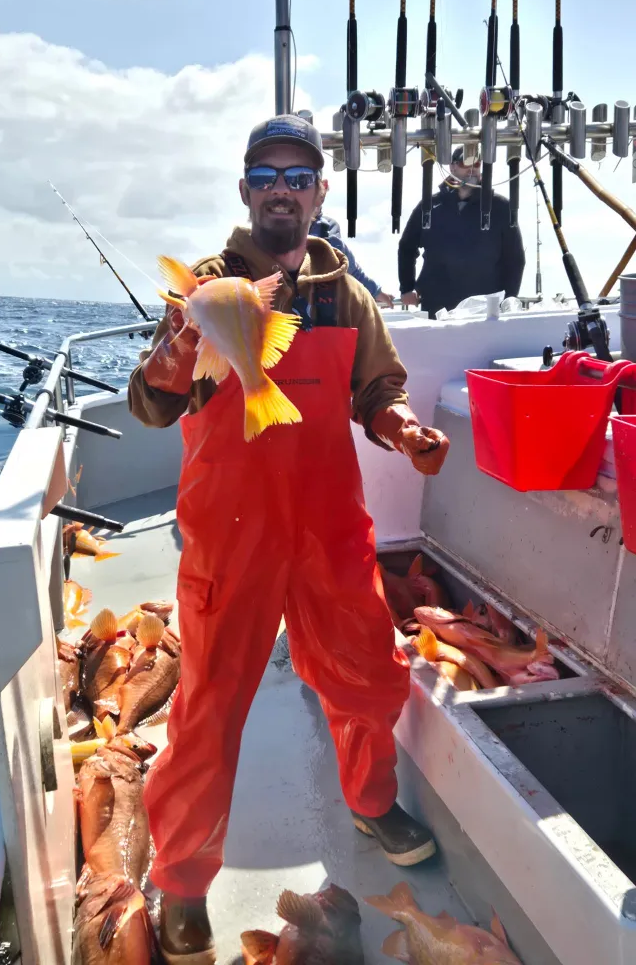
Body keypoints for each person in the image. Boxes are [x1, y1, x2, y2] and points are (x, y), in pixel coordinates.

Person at [128, 113, 450, 964]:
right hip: (229, 530)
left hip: (328, 524)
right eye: (265, 174)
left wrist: (404, 427)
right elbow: (153, 402)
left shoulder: (345, 293)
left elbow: (378, 387)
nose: (282, 188)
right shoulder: (203, 285)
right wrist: (172, 354)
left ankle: (369, 801)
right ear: (244, 190)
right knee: (208, 708)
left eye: (297, 176)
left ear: (318, 193)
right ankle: (185, 878)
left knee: (369, 679)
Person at [398, 146, 526, 317]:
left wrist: (509, 300)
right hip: (437, 308)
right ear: (452, 167)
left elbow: (515, 259)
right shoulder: (429, 206)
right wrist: (407, 287)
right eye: (466, 163)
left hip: (484, 310)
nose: (472, 168)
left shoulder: (501, 207)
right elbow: (407, 247)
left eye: (477, 163)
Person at [309, 189, 394, 307]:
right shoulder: (278, 227)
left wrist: (376, 292)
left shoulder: (329, 228)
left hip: (321, 307)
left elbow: (351, 270)